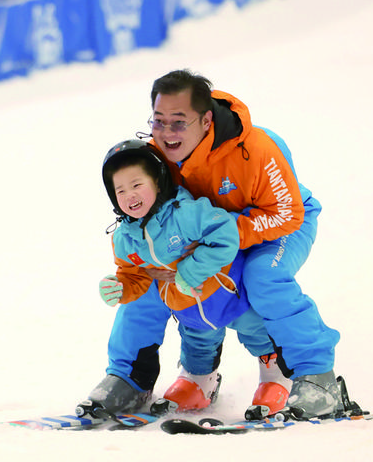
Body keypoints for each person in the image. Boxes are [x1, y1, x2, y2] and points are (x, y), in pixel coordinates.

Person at [80, 70, 357, 421]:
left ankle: (317, 378)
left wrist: (222, 237)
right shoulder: (156, 158)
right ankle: (132, 377)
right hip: (207, 236)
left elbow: (287, 213)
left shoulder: (256, 149)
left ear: (206, 119)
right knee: (155, 275)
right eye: (159, 121)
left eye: (178, 123)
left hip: (274, 225)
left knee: (260, 277)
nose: (166, 133)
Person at [80, 139, 291, 420]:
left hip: (229, 296)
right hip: (188, 308)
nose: (130, 195)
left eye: (136, 184)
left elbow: (225, 234)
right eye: (120, 190)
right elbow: (134, 276)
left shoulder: (186, 213)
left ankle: (276, 377)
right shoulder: (124, 239)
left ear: (157, 182)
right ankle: (198, 382)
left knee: (258, 332)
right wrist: (121, 288)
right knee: (197, 344)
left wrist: (190, 270)